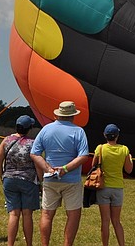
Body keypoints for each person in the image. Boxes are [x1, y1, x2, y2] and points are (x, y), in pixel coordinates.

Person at [30, 101, 91, 246]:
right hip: (71, 179)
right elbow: (83, 156)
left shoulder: (46, 129)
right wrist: (65, 169)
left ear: (58, 114)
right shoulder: (78, 131)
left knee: (47, 214)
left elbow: (34, 153)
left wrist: (47, 168)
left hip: (50, 179)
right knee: (73, 214)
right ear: (73, 116)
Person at [0, 115, 42, 246]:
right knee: (27, 214)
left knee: (13, 214)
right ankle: (29, 244)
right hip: (28, 180)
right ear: (29, 128)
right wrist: (40, 181)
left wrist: (2, 176)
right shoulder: (32, 143)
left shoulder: (6, 140)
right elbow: (38, 164)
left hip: (9, 179)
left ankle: (10, 244)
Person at [92, 124, 133, 246]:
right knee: (116, 221)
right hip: (118, 188)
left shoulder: (100, 148)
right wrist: (130, 160)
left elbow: (93, 165)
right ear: (117, 136)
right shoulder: (124, 150)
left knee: (105, 221)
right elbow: (128, 170)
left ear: (105, 135)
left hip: (103, 187)